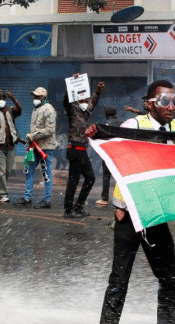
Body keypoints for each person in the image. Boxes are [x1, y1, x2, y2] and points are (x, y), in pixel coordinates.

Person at [89, 80, 175, 324]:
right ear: (150, 103)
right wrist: (118, 202)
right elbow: (114, 156)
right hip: (129, 212)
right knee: (118, 281)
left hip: (156, 213)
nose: (171, 107)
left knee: (170, 277)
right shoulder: (133, 126)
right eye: (165, 101)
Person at [62, 73, 105, 218]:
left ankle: (78, 206)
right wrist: (72, 84)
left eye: (87, 99)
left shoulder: (85, 112)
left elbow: (93, 102)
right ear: (78, 100)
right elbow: (66, 100)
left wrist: (98, 91)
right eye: (83, 99)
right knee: (73, 182)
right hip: (75, 150)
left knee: (90, 178)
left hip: (83, 151)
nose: (87, 102)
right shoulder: (72, 110)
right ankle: (68, 210)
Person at [13, 87, 57, 208]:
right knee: (28, 171)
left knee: (46, 174)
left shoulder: (49, 109)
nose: (34, 98)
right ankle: (27, 198)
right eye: (34, 96)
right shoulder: (36, 109)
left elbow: (50, 129)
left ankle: (47, 201)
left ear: (43, 97)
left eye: (37, 96)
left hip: (45, 147)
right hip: (34, 147)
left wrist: (33, 136)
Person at [0, 90, 22, 203]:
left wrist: (13, 98)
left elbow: (20, 109)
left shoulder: (10, 110)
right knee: (1, 171)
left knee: (7, 172)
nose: (1, 100)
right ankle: (3, 195)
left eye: (2, 98)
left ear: (6, 99)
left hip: (10, 145)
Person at [96, 106, 123, 207]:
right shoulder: (123, 123)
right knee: (120, 177)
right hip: (121, 153)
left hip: (109, 153)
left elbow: (103, 138)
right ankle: (122, 199)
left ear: (106, 114)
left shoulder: (106, 125)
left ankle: (105, 198)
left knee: (106, 176)